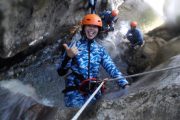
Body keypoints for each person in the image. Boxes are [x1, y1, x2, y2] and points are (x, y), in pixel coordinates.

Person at [57, 14, 129, 108]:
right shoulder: (74, 46)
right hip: (75, 89)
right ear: (83, 28)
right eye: (89, 25)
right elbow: (61, 72)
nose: (92, 29)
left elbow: (112, 68)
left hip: (93, 88)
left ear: (98, 30)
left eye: (95, 27)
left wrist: (125, 84)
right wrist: (68, 57)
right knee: (78, 110)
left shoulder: (100, 50)